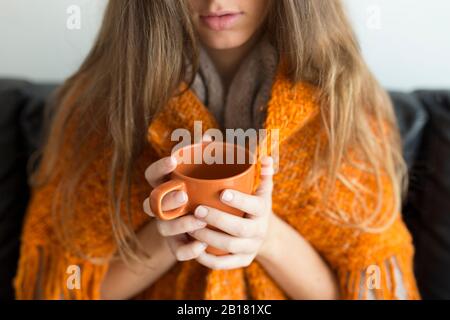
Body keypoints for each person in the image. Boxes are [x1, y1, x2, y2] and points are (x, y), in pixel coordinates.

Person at [15, 0, 420, 300]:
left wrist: (263, 238)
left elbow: (370, 287)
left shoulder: (345, 100)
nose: (216, 2)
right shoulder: (101, 105)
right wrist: (170, 231)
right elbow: (66, 287)